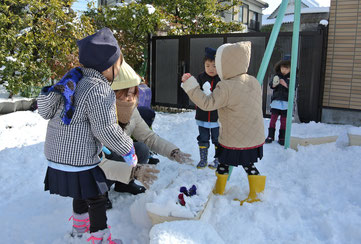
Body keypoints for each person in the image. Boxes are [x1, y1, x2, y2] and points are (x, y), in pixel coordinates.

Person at [37, 27, 156, 243]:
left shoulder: (71, 81)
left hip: (55, 157)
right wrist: (128, 149)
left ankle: (79, 229)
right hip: (80, 158)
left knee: (80, 192)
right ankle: (100, 238)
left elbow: (45, 110)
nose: (119, 71)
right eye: (118, 66)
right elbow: (106, 129)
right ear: (107, 66)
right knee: (97, 195)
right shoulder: (99, 89)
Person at [181, 41, 266, 205]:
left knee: (225, 162)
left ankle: (219, 191)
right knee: (248, 164)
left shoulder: (225, 86)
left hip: (233, 138)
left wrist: (190, 85)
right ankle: (254, 192)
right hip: (253, 136)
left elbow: (207, 104)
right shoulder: (253, 81)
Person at [100, 58, 193, 196]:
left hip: (117, 156)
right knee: (109, 156)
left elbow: (149, 137)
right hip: (100, 162)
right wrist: (133, 171)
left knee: (142, 149)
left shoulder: (131, 111)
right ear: (112, 93)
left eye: (132, 94)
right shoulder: (99, 113)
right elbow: (96, 158)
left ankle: (124, 184)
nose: (130, 99)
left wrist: (173, 152)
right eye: (125, 94)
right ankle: (100, 193)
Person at [195, 47, 221, 170]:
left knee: (217, 139)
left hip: (217, 117)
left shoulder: (222, 79)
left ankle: (218, 159)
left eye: (214, 66)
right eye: (208, 65)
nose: (211, 69)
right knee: (203, 138)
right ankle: (203, 159)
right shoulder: (200, 78)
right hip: (202, 115)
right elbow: (194, 92)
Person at [265, 56, 291, 146]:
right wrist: (274, 84)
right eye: (282, 67)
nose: (284, 70)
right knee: (273, 120)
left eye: (286, 68)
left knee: (284, 121)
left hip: (286, 103)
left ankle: (282, 137)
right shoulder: (276, 76)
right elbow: (271, 85)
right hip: (276, 102)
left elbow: (293, 87)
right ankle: (270, 136)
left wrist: (286, 84)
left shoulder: (292, 77)